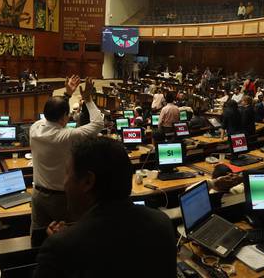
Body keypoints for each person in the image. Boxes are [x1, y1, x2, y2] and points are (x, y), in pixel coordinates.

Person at [34, 137, 176, 278]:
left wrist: (64, 240)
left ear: (88, 181)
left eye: (66, 173)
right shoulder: (162, 222)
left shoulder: (58, 248)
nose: (64, 183)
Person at [30, 76, 104, 237]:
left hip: (38, 196)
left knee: (38, 236)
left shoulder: (34, 128)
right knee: (67, 237)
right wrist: (88, 99)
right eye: (67, 114)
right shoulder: (67, 136)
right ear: (64, 116)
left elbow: (54, 112)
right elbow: (98, 123)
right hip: (61, 199)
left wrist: (67, 94)